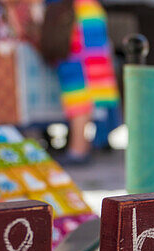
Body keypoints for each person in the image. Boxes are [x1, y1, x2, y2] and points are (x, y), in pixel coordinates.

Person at [51, 0, 119, 163]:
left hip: (79, 26)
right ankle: (85, 145)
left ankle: (78, 150)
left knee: (79, 92)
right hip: (86, 19)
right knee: (86, 90)